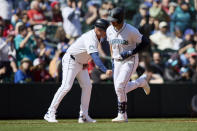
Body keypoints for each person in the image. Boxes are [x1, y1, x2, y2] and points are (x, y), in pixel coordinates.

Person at [44, 19, 112, 123]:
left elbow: (86, 52)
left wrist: (85, 61)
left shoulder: (98, 37)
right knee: (66, 86)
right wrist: (104, 69)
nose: (107, 32)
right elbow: (95, 56)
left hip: (81, 63)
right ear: (98, 29)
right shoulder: (91, 37)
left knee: (88, 86)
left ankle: (83, 116)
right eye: (105, 30)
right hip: (71, 60)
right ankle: (50, 112)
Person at [106, 7, 151, 122]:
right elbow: (111, 45)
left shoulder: (131, 30)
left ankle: (122, 115)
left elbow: (145, 42)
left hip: (130, 60)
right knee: (119, 89)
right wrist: (112, 59)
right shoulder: (109, 30)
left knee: (120, 86)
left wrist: (132, 52)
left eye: (114, 20)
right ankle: (140, 82)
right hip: (116, 61)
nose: (111, 22)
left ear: (120, 20)